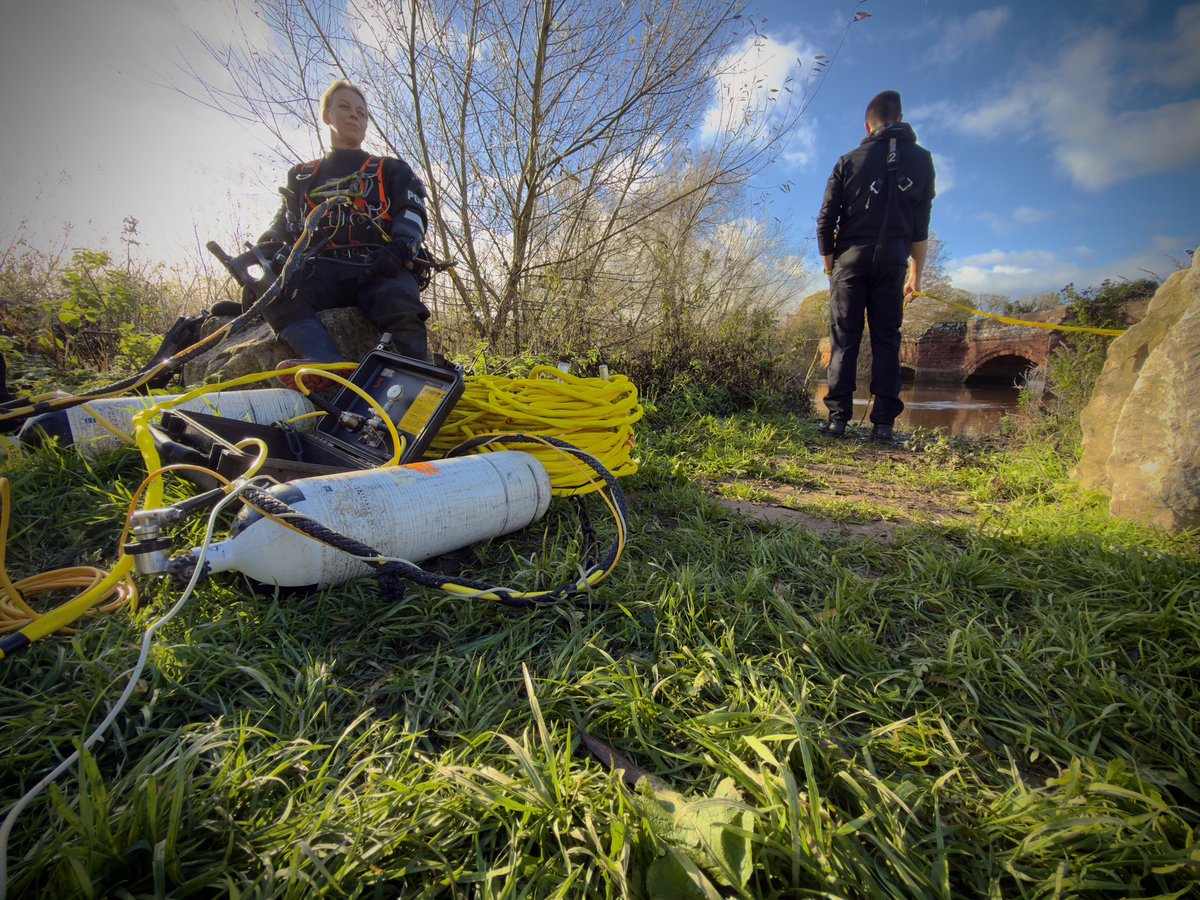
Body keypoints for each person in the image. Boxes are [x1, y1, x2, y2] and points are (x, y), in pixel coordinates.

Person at [253, 79, 432, 373]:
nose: (355, 116)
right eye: (345, 108)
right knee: (274, 291)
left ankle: (415, 382)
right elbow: (281, 223)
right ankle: (327, 367)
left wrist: (400, 249)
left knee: (399, 302)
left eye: (361, 112)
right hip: (318, 269)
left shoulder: (391, 169)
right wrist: (264, 253)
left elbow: (413, 213)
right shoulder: (301, 176)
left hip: (378, 265)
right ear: (327, 116)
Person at [816, 89, 935, 441]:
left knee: (845, 338)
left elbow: (825, 223)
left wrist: (830, 268)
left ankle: (838, 419)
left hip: (850, 262)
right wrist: (915, 277)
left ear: (868, 126)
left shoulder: (849, 160)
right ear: (899, 119)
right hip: (894, 263)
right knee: (887, 339)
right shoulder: (923, 160)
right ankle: (883, 425)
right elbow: (920, 227)